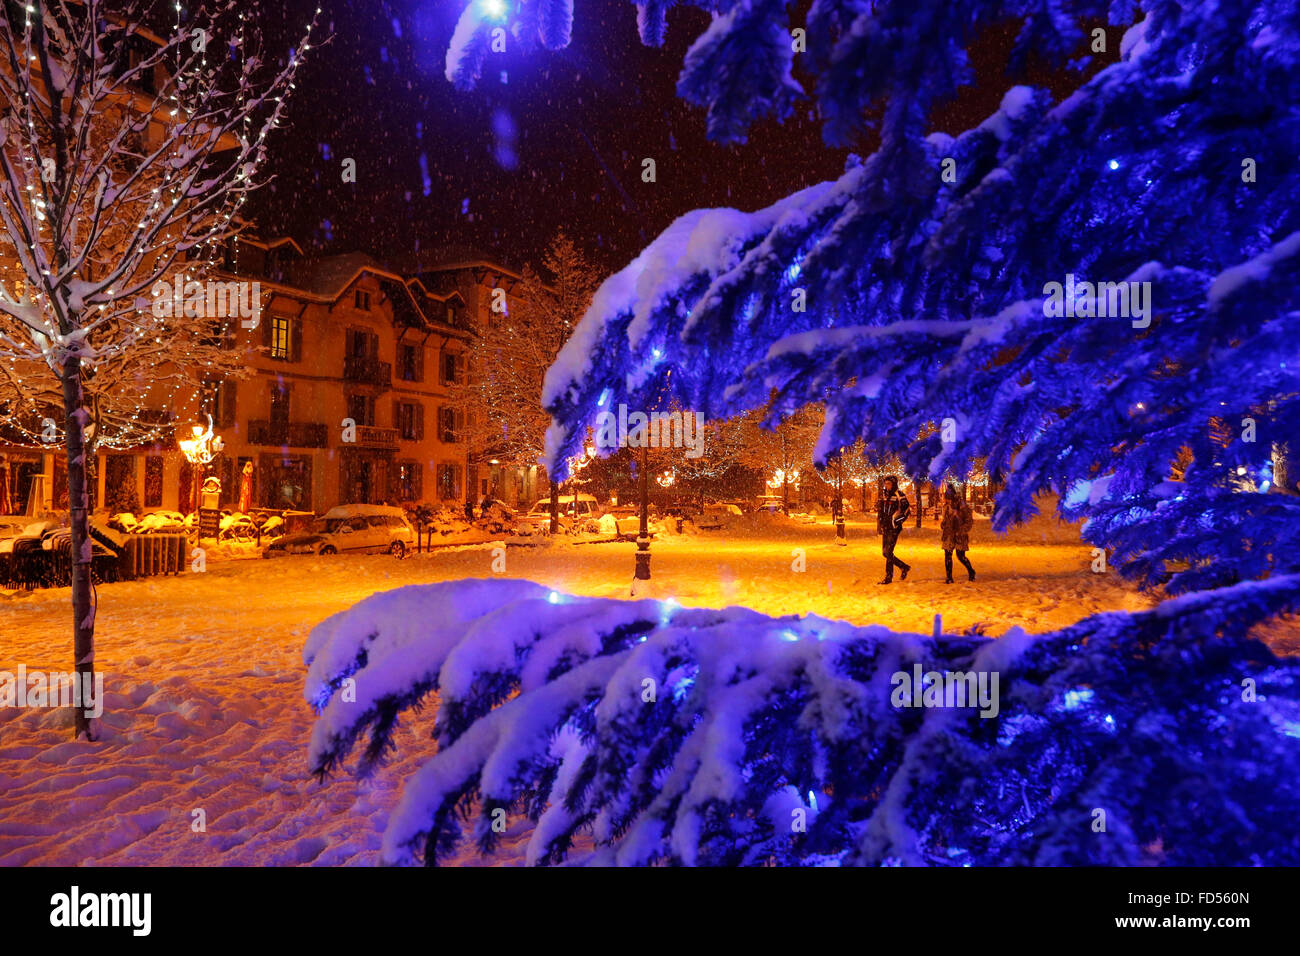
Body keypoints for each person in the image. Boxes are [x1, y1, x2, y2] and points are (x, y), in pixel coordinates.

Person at [876, 476, 911, 584]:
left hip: (894, 528)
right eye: (885, 484)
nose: (887, 486)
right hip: (886, 527)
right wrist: (880, 523)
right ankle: (904, 567)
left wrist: (896, 522)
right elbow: (881, 511)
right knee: (885, 553)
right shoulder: (884, 496)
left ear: (894, 484)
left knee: (888, 551)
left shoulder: (900, 495)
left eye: (889, 484)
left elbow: (907, 511)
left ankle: (888, 577)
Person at [940, 483, 976, 583]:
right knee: (947, 555)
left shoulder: (962, 506)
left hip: (960, 534)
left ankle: (971, 571)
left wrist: (962, 530)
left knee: (960, 556)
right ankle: (949, 577)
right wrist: (943, 524)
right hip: (949, 534)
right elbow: (945, 520)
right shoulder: (946, 506)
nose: (946, 500)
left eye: (948, 498)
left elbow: (969, 520)